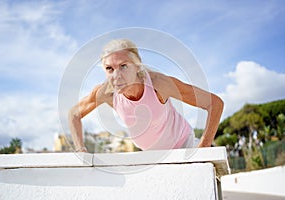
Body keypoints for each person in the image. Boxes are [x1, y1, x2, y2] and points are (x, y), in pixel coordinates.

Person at [68, 39, 224, 152]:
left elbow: (215, 103)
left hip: (185, 147)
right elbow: (74, 113)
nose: (116, 75)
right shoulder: (106, 93)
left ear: (137, 65)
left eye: (123, 66)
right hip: (152, 157)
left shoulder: (159, 84)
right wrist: (80, 149)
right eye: (109, 68)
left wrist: (203, 148)